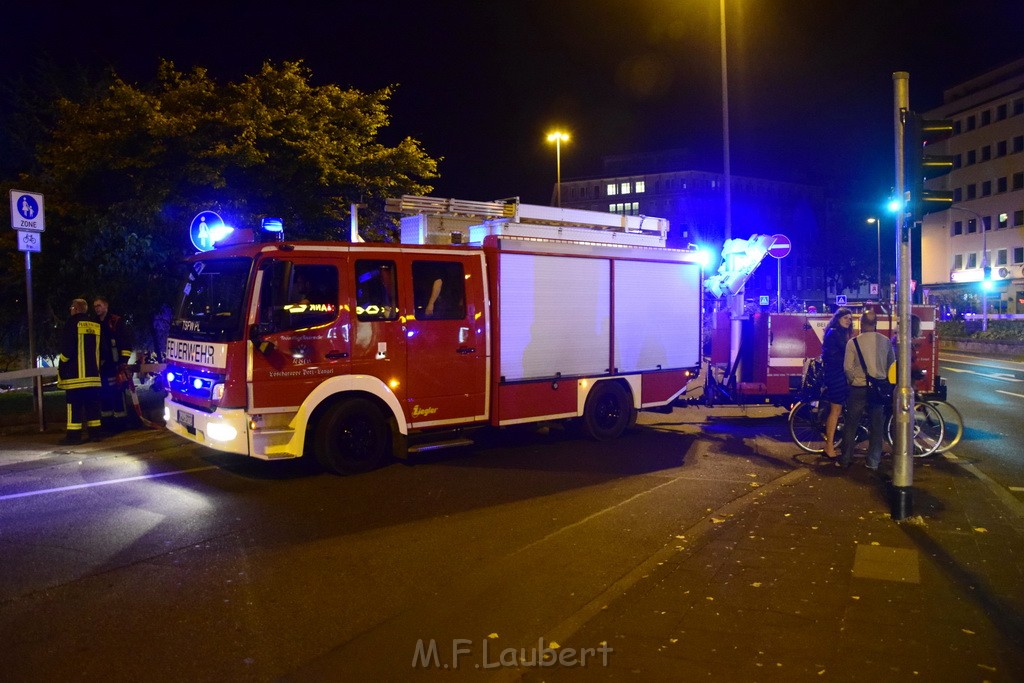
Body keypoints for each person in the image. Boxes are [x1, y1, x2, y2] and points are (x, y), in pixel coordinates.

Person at [842, 308, 896, 471]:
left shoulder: (853, 342)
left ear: (861, 323)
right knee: (877, 427)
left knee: (851, 424)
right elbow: (892, 365)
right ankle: (873, 461)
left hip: (858, 389)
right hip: (878, 389)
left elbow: (847, 368)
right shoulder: (885, 341)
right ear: (876, 324)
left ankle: (845, 459)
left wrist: (853, 381)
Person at [57, 299, 107, 444]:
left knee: (74, 407)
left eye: (71, 307)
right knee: (93, 406)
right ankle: (95, 434)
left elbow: (67, 348)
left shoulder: (72, 323)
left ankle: (73, 437)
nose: (70, 310)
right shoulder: (96, 325)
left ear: (76, 309)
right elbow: (103, 350)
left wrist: (63, 362)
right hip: (93, 377)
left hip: (75, 377)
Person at [93, 296, 134, 432]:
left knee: (117, 394)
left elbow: (126, 344)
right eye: (95, 306)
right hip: (102, 367)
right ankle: (107, 423)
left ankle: (120, 423)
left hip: (115, 366)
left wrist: (122, 363)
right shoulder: (94, 323)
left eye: (99, 305)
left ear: (106, 306)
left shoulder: (116, 321)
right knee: (104, 395)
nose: (97, 308)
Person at [820, 307, 853, 459]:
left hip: (837, 374)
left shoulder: (838, 333)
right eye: (845, 317)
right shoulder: (835, 333)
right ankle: (829, 446)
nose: (848, 320)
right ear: (838, 318)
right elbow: (839, 356)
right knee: (836, 410)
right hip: (836, 375)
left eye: (850, 318)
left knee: (838, 409)